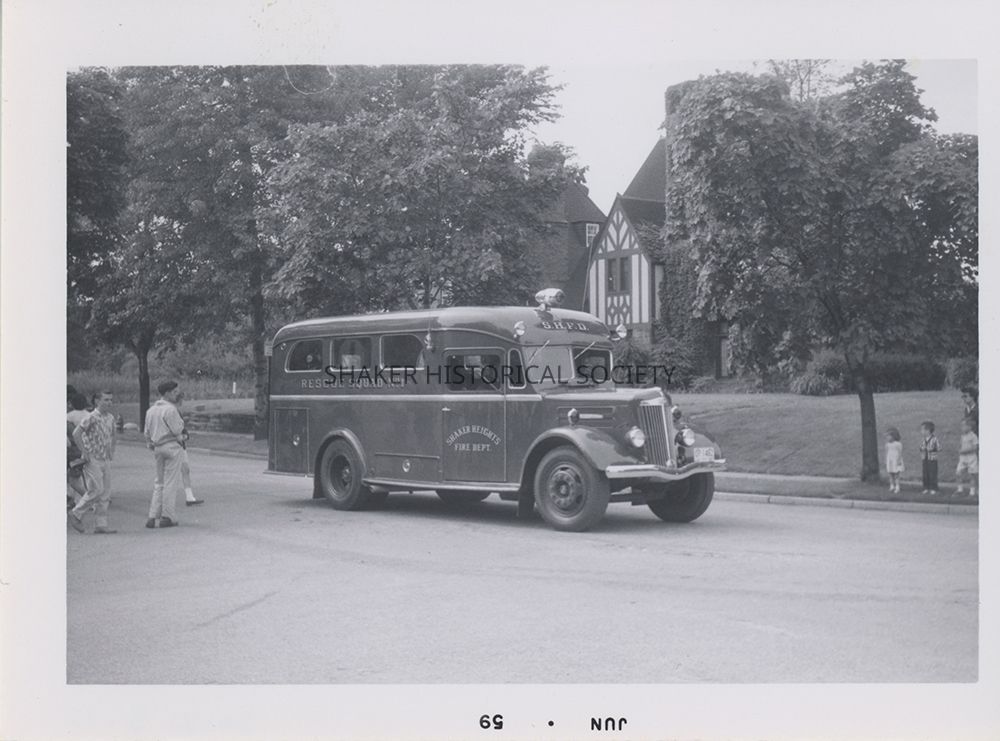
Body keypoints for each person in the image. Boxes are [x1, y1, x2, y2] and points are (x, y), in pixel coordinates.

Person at [68, 391, 117, 534]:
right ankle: (76, 513)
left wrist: (112, 450)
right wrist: (84, 451)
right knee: (96, 490)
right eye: (106, 400)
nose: (109, 402)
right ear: (97, 401)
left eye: (110, 400)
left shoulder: (110, 417)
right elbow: (76, 433)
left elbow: (113, 435)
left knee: (105, 492)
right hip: (93, 458)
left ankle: (101, 524)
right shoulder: (91, 417)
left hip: (105, 458)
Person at [145, 380, 187, 528]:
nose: (176, 395)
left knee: (159, 482)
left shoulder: (151, 410)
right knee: (170, 482)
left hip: (157, 447)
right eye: (174, 392)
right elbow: (177, 430)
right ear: (167, 393)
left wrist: (151, 443)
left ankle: (152, 515)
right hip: (171, 447)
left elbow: (147, 432)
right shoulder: (170, 410)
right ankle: (167, 516)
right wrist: (182, 434)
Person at [175, 391, 203, 506]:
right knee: (172, 472)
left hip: (180, 445)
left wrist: (185, 434)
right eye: (181, 399)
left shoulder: (177, 411)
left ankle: (189, 497)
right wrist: (183, 435)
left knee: (185, 469)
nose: (182, 401)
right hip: (175, 445)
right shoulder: (172, 411)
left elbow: (181, 427)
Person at [66, 392, 90, 507]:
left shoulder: (69, 417)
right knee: (85, 476)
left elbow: (69, 436)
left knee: (73, 478)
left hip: (74, 450)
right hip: (88, 447)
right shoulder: (90, 415)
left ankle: (86, 499)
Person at [955, 417, 979, 498]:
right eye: (961, 426)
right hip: (963, 458)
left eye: (964, 426)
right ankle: (960, 490)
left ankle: (972, 492)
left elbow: (975, 448)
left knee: (972, 475)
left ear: (970, 427)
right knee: (958, 473)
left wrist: (965, 451)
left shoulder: (973, 436)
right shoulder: (962, 436)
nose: (962, 428)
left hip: (971, 458)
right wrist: (959, 450)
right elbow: (960, 445)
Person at [919, 420, 940, 496]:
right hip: (925, 459)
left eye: (922, 430)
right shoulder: (923, 439)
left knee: (932, 473)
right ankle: (926, 487)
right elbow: (921, 447)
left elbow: (939, 448)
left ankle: (933, 488)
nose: (921, 431)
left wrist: (932, 449)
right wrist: (922, 448)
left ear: (928, 431)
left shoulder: (934, 439)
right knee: (925, 473)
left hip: (932, 459)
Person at [884, 427, 904, 496]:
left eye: (888, 436)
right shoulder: (887, 445)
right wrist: (886, 460)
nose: (887, 438)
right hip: (890, 460)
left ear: (893, 436)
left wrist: (899, 460)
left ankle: (897, 486)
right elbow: (886, 452)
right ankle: (892, 486)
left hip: (896, 460)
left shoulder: (898, 444)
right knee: (890, 474)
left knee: (896, 474)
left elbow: (900, 452)